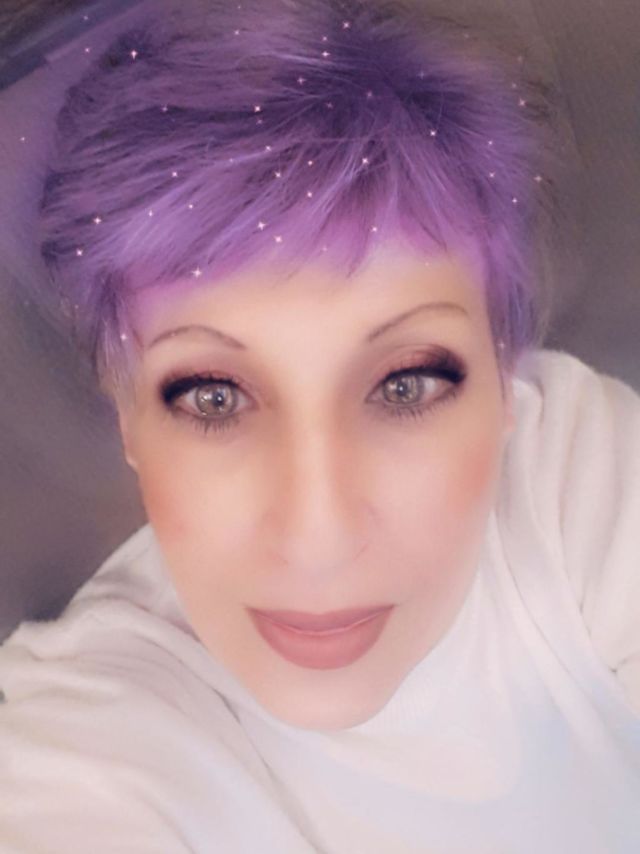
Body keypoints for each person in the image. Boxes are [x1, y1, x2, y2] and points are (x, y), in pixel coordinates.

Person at [1, 0, 638, 850]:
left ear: (503, 379)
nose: (319, 539)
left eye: (405, 385)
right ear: (126, 412)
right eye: (214, 398)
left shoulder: (571, 483)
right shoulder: (93, 741)